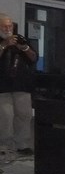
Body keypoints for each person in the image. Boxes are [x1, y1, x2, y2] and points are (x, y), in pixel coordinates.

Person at [0, 13, 38, 161]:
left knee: (24, 114)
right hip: (2, 87)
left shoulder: (20, 39)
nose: (8, 29)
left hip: (22, 85)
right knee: (6, 116)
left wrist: (24, 47)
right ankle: (5, 146)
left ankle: (22, 145)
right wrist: (4, 45)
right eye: (4, 26)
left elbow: (33, 58)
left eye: (10, 26)